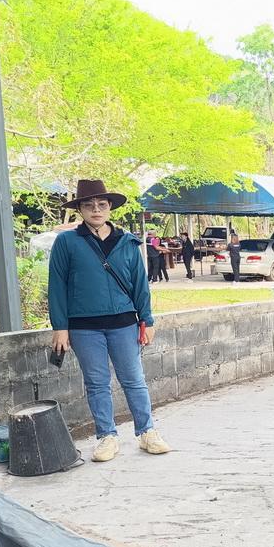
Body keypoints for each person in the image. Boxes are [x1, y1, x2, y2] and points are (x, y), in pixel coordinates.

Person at [48, 180, 171, 462]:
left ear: (110, 208)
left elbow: (140, 284)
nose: (96, 210)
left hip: (124, 323)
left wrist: (147, 320)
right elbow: (57, 285)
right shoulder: (67, 242)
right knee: (97, 382)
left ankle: (147, 432)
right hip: (83, 326)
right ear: (79, 208)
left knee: (134, 379)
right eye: (89, 205)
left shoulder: (127, 242)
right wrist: (60, 327)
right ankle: (106, 436)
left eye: (102, 205)